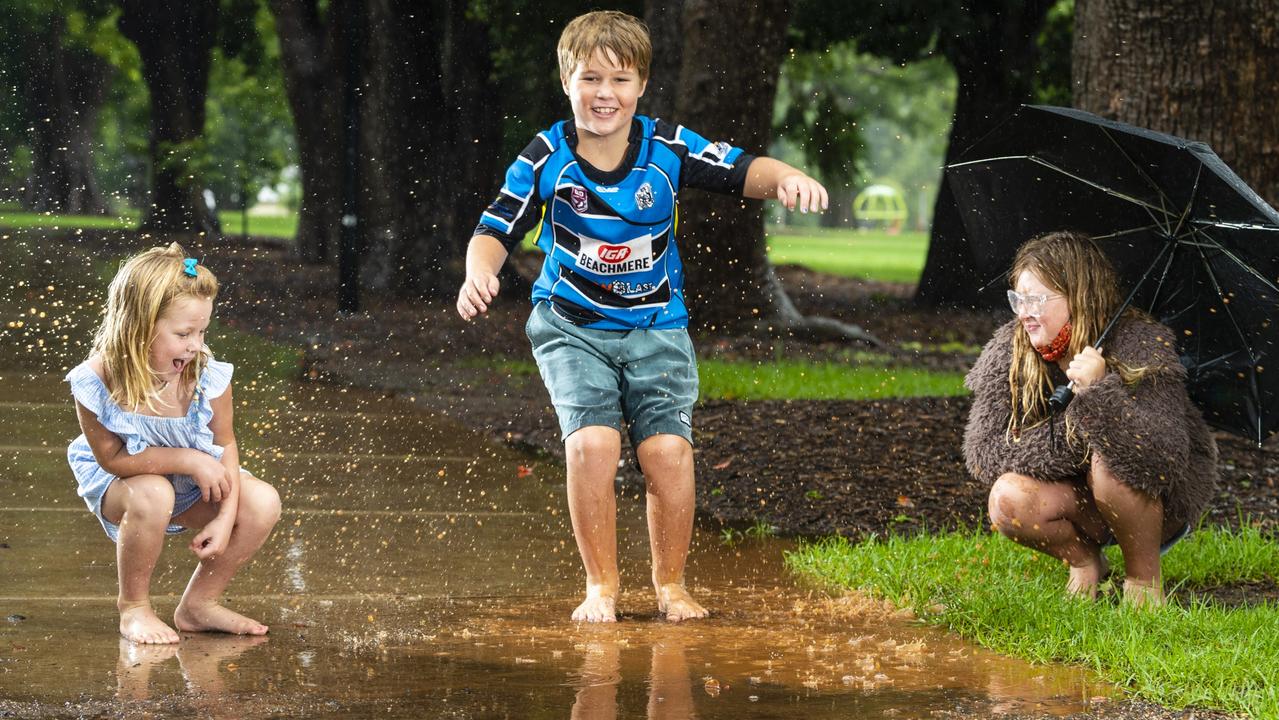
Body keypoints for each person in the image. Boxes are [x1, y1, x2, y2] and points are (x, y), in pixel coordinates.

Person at [456, 10, 827, 622]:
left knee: (667, 455)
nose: (606, 94)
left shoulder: (667, 147)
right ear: (567, 82)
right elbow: (495, 228)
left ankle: (671, 584)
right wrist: (480, 270)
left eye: (621, 80)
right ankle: (601, 586)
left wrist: (786, 177)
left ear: (642, 86)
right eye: (591, 79)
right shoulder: (545, 156)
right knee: (593, 447)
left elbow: (740, 169)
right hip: (570, 325)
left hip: (656, 326)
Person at [963, 231, 1218, 606]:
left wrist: (1099, 396)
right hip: (1079, 501)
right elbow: (983, 450)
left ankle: (1144, 581)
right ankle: (1085, 563)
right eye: (1018, 297)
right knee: (1008, 498)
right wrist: (1080, 436)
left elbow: (1163, 459)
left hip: (1151, 504)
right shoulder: (1011, 349)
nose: (1024, 312)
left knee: (1112, 461)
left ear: (1079, 297)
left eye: (1037, 299)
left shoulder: (1140, 344)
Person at [66, 243, 281, 643]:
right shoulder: (96, 381)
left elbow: (226, 445)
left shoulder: (206, 377)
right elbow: (112, 458)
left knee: (262, 502)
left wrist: (223, 515)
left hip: (189, 483)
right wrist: (188, 459)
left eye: (202, 332)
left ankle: (200, 605)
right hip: (124, 482)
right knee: (152, 491)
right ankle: (133, 607)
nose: (195, 345)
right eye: (183, 333)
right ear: (138, 326)